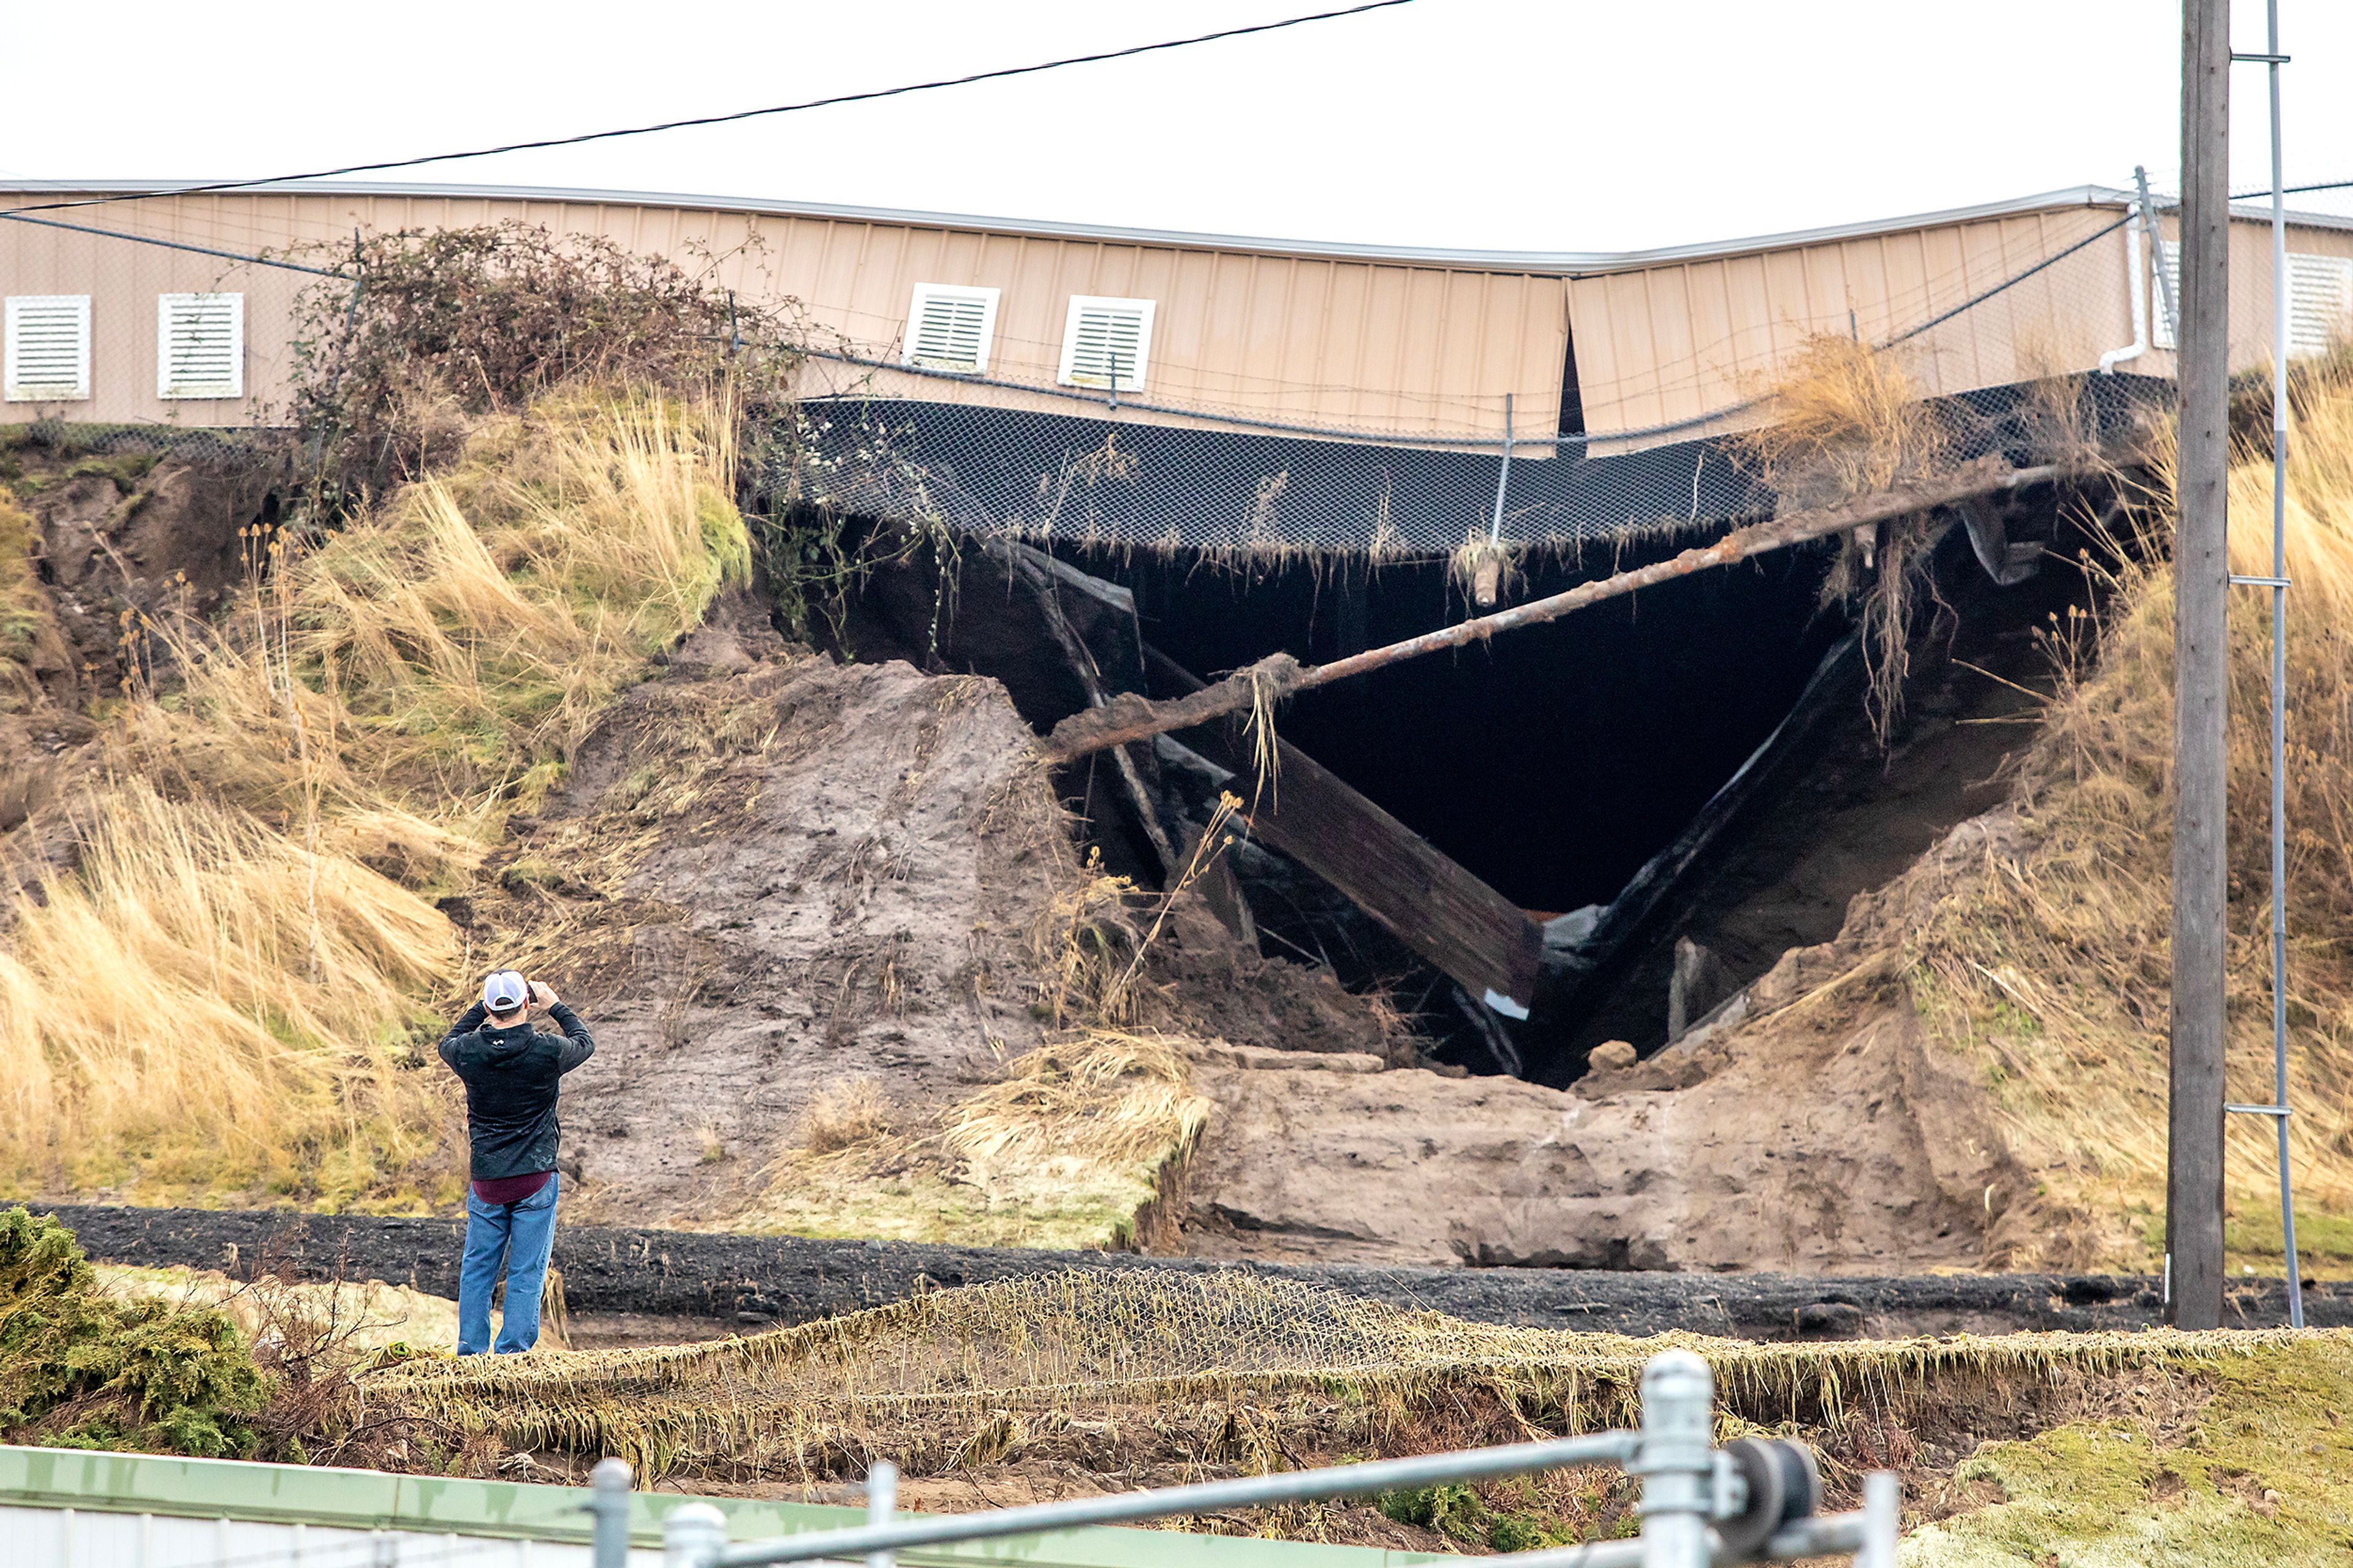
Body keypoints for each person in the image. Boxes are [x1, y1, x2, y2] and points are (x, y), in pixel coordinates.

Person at [439, 969, 594, 1355]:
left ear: (489, 1007)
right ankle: (512, 1352)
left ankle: (471, 1350)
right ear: (527, 1003)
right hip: (536, 1178)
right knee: (527, 1270)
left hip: (488, 1180)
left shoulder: (468, 1053)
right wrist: (555, 1004)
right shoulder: (547, 1050)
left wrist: (482, 1007)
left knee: (477, 1270)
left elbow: (448, 1041)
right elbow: (585, 1042)